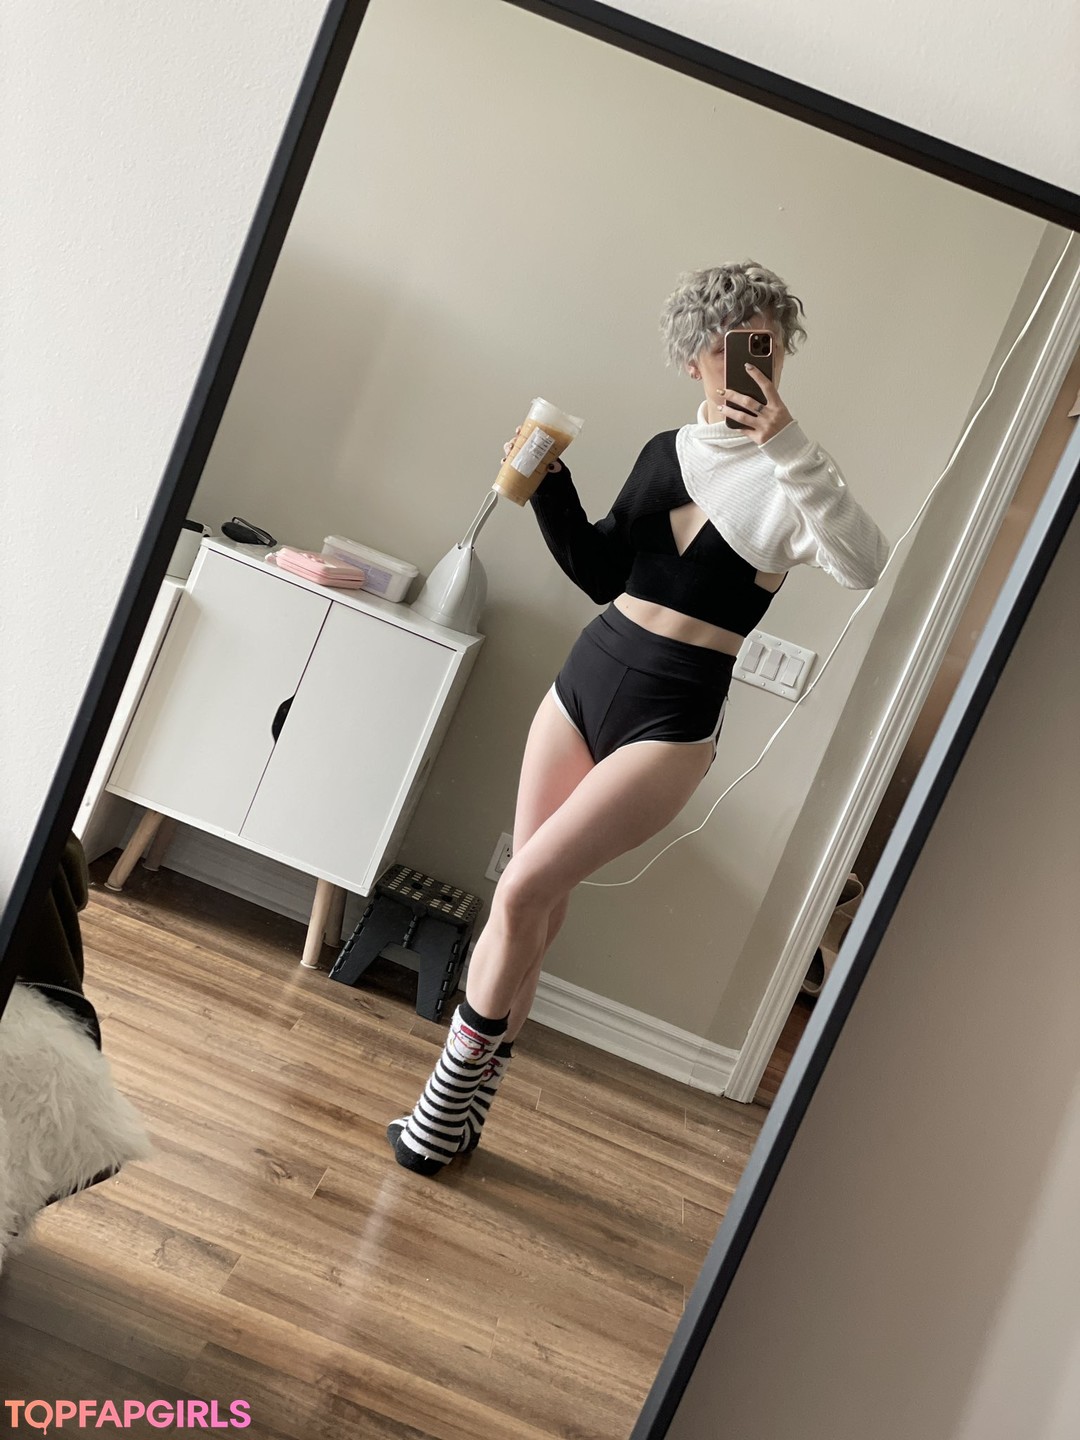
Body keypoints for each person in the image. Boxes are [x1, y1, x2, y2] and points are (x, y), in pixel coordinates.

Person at [388, 260, 889, 1176]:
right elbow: (601, 572)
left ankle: (443, 1100)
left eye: (765, 342)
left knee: (520, 891)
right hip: (587, 678)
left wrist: (789, 442)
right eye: (728, 345)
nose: (750, 360)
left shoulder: (794, 478)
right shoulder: (667, 452)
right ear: (694, 358)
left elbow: (862, 563)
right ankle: (471, 1109)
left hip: (673, 715)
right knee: (535, 899)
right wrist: (550, 482)